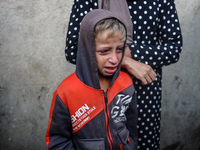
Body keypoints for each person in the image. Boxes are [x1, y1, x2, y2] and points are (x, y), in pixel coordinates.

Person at [65, 0, 183, 149]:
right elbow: (73, 50)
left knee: (143, 144)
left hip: (144, 95)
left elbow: (173, 48)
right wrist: (125, 60)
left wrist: (132, 51)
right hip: (100, 92)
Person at [46, 9, 138, 150]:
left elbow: (131, 127)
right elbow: (58, 141)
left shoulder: (126, 83)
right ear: (87, 50)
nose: (115, 59)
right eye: (104, 51)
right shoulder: (66, 92)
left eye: (119, 49)